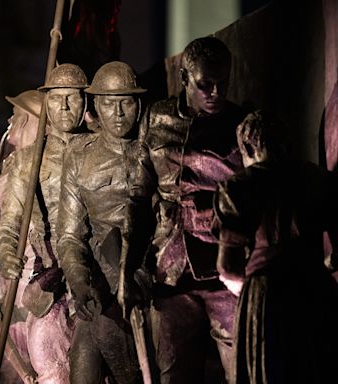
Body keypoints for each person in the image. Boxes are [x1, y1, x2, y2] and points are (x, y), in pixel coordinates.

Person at [131, 36, 248, 383]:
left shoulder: (241, 125)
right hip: (170, 267)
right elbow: (139, 193)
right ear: (184, 78)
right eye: (204, 84)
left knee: (240, 370)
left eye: (223, 83)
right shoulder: (157, 118)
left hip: (226, 268)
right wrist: (129, 265)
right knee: (174, 372)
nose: (215, 92)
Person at [213, 110, 338, 384]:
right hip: (315, 292)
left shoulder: (238, 188)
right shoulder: (318, 180)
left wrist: (246, 287)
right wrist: (321, 267)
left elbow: (227, 266)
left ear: (247, 147)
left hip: (266, 299)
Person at [57, 61, 151, 384]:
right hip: (103, 280)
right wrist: (81, 284)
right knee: (82, 362)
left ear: (138, 105)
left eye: (126, 102)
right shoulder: (80, 156)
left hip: (149, 272)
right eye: (109, 104)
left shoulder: (152, 147)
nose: (118, 113)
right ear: (96, 104)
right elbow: (70, 237)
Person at [0, 63, 89, 383]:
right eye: (57, 97)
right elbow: (9, 225)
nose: (64, 107)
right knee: (44, 341)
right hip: (49, 274)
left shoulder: (98, 147)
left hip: (96, 269)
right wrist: (7, 253)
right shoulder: (27, 161)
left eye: (72, 98)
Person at [0, 89, 44, 383]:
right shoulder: (7, 177)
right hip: (8, 293)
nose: (9, 122)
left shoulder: (46, 173)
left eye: (17, 117)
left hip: (35, 289)